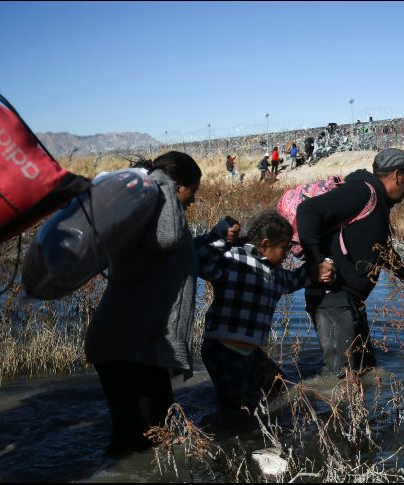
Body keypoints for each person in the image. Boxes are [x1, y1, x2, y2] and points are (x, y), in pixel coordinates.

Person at [84, 150, 202, 454]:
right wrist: (162, 182)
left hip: (136, 344)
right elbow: (167, 239)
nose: (192, 200)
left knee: (153, 432)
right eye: (192, 191)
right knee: (142, 439)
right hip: (124, 346)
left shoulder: (148, 211)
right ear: (179, 185)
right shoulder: (156, 209)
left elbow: (174, 251)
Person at [296, 148, 404, 378]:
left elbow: (380, 249)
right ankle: (303, 401)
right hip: (332, 299)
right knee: (341, 381)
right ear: (397, 175)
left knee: (366, 372)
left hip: (350, 301)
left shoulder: (377, 202)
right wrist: (317, 261)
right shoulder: (361, 191)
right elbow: (307, 211)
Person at [195, 210, 333, 413]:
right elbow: (199, 256)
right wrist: (219, 234)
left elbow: (295, 279)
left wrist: (319, 268)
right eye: (284, 248)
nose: (286, 254)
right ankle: (226, 438)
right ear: (266, 243)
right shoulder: (233, 259)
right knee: (238, 411)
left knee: (281, 390)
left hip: (250, 354)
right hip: (222, 351)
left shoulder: (274, 273)